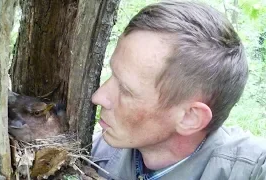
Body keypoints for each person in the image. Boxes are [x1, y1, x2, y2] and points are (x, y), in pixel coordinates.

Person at [90, 1, 266, 180]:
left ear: (190, 117)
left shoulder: (250, 170)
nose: (98, 97)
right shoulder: (96, 153)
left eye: (126, 91)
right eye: (112, 74)